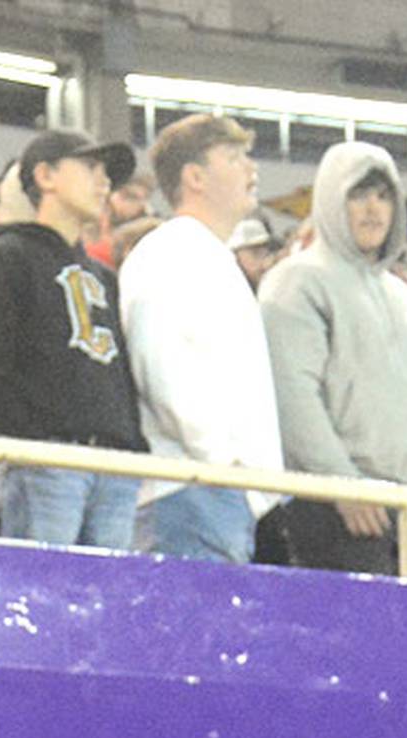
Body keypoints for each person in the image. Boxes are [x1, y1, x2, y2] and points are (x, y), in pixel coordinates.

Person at [260, 143, 407, 576]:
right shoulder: (296, 281)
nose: (373, 208)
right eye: (358, 194)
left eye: (384, 196)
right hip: (336, 508)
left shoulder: (400, 294)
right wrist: (342, 483)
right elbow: (293, 393)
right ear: (330, 198)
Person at [0, 128, 145, 552]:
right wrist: (34, 443)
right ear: (45, 176)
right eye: (91, 167)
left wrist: (130, 441)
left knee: (105, 603)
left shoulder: (104, 277)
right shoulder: (9, 256)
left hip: (113, 465)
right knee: (44, 595)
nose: (105, 182)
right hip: (49, 465)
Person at [120, 112, 284, 564]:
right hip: (194, 490)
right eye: (233, 158)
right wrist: (222, 461)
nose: (250, 168)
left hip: (214, 490)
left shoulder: (205, 254)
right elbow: (162, 362)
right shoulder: (172, 251)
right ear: (194, 177)